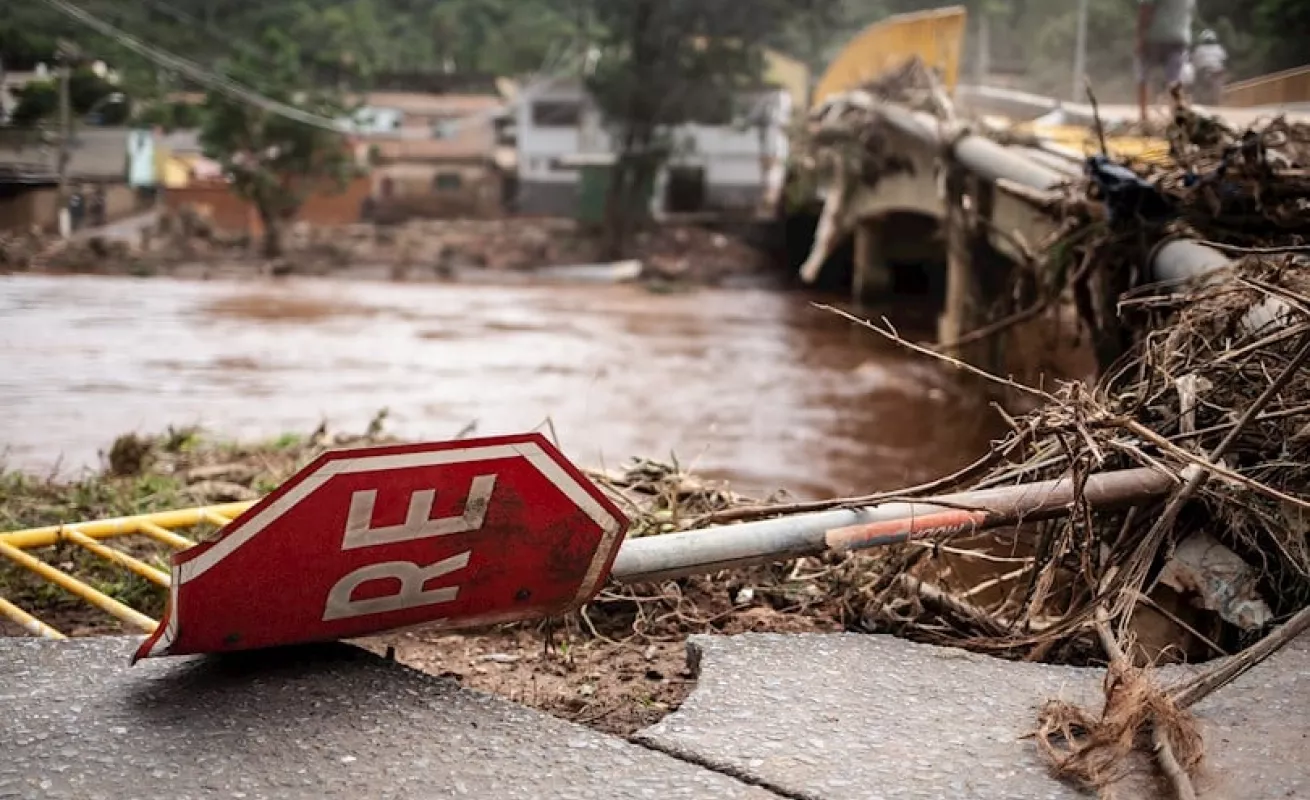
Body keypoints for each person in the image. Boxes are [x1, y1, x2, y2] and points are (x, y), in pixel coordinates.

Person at [1135, 0, 1196, 123]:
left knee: (1143, 75)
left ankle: (1144, 116)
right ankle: (1176, 117)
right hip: (1179, 38)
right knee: (1174, 79)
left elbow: (1145, 10)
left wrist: (1140, 37)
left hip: (1155, 37)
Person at [1191, 29, 1229, 106]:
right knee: (1220, 85)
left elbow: (1194, 62)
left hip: (1205, 71)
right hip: (1218, 71)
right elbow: (1224, 59)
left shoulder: (1198, 49)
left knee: (1198, 84)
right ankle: (1218, 100)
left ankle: (1199, 100)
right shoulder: (1219, 48)